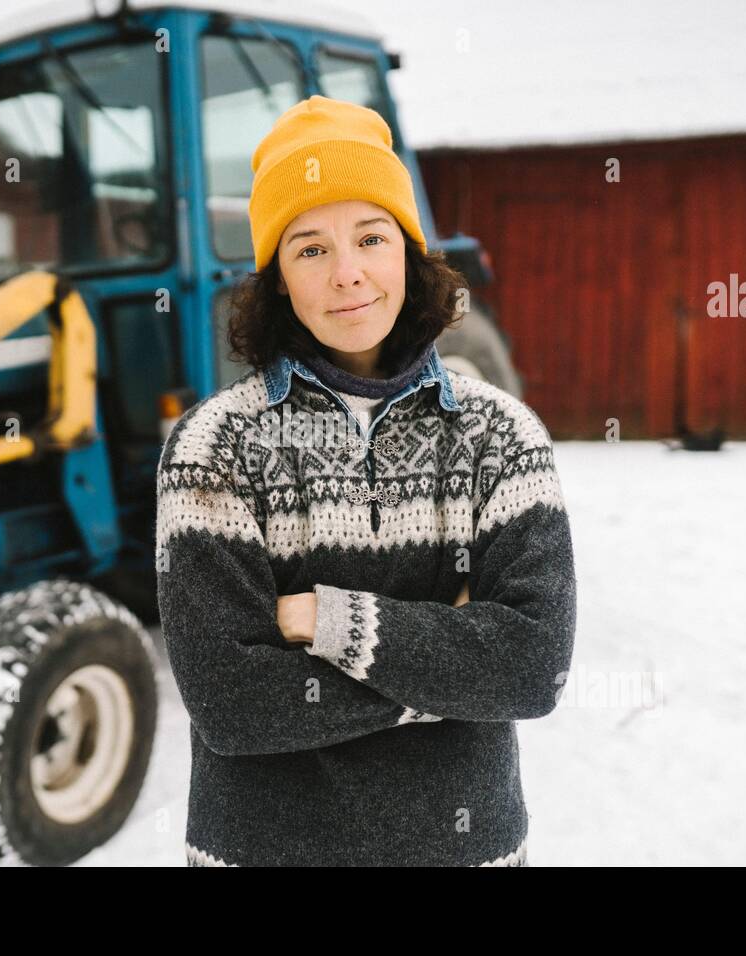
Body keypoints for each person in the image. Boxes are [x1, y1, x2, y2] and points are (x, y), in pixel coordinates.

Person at [155, 95, 577, 866]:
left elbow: (531, 665)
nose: (347, 274)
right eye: (310, 248)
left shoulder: (501, 436)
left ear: (407, 253)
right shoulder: (214, 445)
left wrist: (323, 618)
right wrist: (450, 668)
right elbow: (230, 705)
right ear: (278, 277)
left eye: (370, 237)